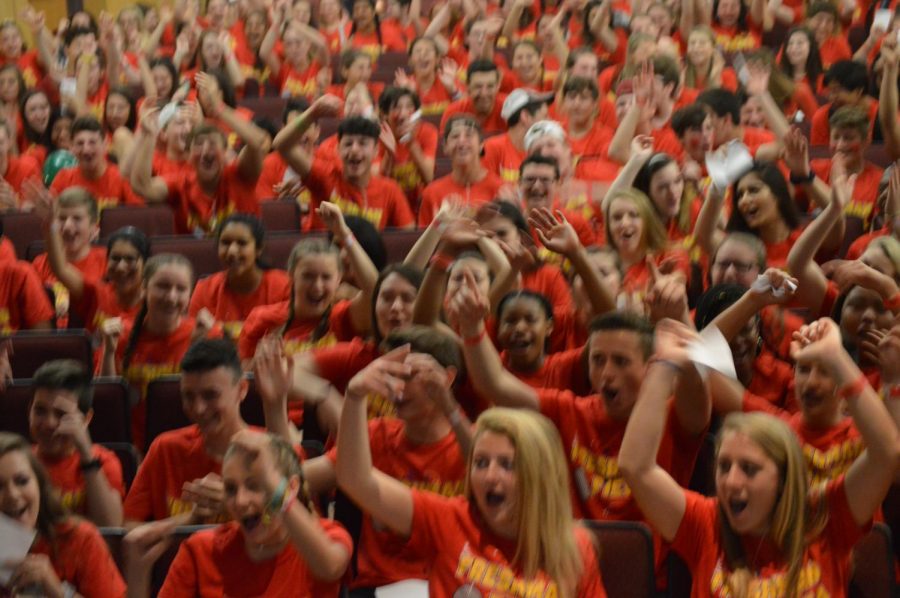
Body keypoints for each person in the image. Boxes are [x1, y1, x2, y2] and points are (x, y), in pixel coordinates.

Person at [618, 317, 900, 596]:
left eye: (749, 469)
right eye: (724, 467)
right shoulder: (706, 524)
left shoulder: (823, 519)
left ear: (783, 478)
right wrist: (664, 366)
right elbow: (636, 467)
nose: (731, 481)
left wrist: (834, 357)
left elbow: (887, 451)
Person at [335, 346, 607, 596]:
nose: (490, 476)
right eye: (480, 463)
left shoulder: (576, 547)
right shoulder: (447, 519)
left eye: (507, 465)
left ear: (539, 474)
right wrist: (355, 396)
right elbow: (356, 479)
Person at [260, 326, 471, 592]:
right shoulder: (375, 434)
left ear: (446, 378)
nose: (397, 387)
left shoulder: (474, 445)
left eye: (408, 375)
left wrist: (449, 405)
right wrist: (275, 405)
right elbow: (295, 480)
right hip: (379, 586)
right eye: (391, 375)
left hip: (454, 584)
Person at [128, 429, 352, 597]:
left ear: (288, 488)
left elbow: (330, 567)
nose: (241, 501)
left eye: (256, 485)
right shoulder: (201, 550)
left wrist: (274, 485)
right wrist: (138, 576)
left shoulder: (326, 536)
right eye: (231, 488)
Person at [122, 339, 252, 529]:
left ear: (241, 390)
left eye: (210, 395)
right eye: (189, 396)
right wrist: (189, 520)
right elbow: (129, 529)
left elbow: (292, 530)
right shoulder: (165, 449)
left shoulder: (271, 453)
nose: (198, 409)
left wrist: (238, 506)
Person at [129, 72, 270, 235]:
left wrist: (219, 108)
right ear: (189, 156)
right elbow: (142, 186)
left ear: (225, 152)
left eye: (212, 143)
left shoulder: (241, 175)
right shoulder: (181, 184)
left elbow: (260, 143)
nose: (205, 150)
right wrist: (149, 134)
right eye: (198, 144)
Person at [100, 254, 216, 449]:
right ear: (144, 288)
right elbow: (108, 403)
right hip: (133, 445)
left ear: (190, 294)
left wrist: (198, 346)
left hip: (190, 443)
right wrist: (109, 352)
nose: (171, 297)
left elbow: (210, 403)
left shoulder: (206, 334)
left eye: (181, 289)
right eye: (162, 286)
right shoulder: (119, 333)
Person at [0, 432, 126, 598]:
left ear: (39, 483)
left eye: (22, 481)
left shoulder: (81, 539)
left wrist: (58, 591)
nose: (13, 495)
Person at [273, 96, 415, 231]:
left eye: (362, 143)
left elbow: (406, 239)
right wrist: (312, 113)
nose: (354, 150)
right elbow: (281, 144)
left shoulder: (390, 190)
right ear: (338, 149)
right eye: (348, 144)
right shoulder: (324, 176)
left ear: (376, 151)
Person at [28, 359, 124, 526]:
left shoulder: (105, 461)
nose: (49, 423)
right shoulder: (17, 462)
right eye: (40, 411)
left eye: (61, 414)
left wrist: (87, 456)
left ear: (86, 419)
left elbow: (111, 527)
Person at [189, 213, 291, 340]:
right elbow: (197, 342)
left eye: (242, 243)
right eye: (225, 243)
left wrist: (218, 331)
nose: (231, 251)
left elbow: (288, 337)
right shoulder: (204, 289)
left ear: (258, 249)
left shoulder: (284, 286)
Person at [418, 115, 505, 226]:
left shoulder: (501, 190)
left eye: (469, 135)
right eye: (455, 136)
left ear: (481, 144)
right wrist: (441, 225)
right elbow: (426, 241)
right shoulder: (431, 194)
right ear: (445, 147)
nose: (461, 142)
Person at [48, 116, 143, 211]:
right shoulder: (63, 178)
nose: (86, 150)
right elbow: (53, 217)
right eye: (80, 143)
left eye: (92, 142)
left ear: (105, 145)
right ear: (72, 148)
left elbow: (138, 217)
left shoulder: (121, 178)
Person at [481, 88, 551, 184]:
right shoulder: (492, 147)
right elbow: (484, 186)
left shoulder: (546, 150)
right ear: (525, 117)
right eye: (545, 116)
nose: (550, 121)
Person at [440, 59, 507, 136]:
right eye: (478, 87)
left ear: (498, 86)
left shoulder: (510, 110)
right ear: (467, 86)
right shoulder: (454, 112)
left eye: (490, 86)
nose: (484, 94)